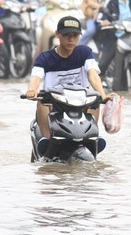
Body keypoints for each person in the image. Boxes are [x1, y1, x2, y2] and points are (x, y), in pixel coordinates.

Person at [25, 16, 109, 151]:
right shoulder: (44, 58)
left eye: (75, 35)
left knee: (95, 100)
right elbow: (36, 77)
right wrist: (32, 90)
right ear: (57, 35)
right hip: (55, 104)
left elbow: (93, 74)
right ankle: (47, 140)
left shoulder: (85, 52)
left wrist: (103, 95)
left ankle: (93, 137)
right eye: (66, 35)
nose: (71, 39)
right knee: (41, 102)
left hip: (80, 103)